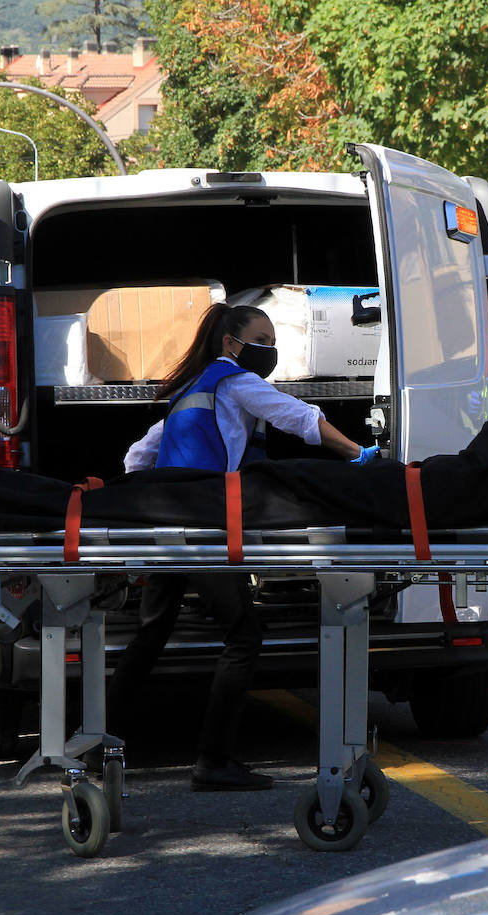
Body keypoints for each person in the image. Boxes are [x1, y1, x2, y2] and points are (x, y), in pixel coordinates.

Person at [110, 300, 378, 791]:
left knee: (151, 635)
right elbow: (299, 417)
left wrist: (154, 504)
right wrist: (360, 454)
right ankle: (213, 761)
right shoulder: (236, 383)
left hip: (166, 527)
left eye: (274, 343)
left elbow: (136, 457)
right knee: (244, 634)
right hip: (204, 527)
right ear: (232, 344)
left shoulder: (191, 389)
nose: (270, 351)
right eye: (263, 341)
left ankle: (102, 744)